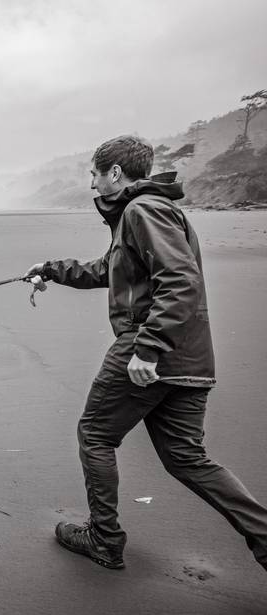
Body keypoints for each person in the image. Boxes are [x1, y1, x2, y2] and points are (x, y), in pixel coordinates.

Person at [24, 135, 267, 571]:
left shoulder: (142, 210)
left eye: (95, 175)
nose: (93, 185)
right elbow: (111, 270)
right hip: (190, 359)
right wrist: (50, 270)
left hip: (150, 349)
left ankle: (104, 539)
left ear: (114, 173)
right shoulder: (142, 212)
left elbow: (180, 281)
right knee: (187, 459)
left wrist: (148, 350)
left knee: (96, 435)